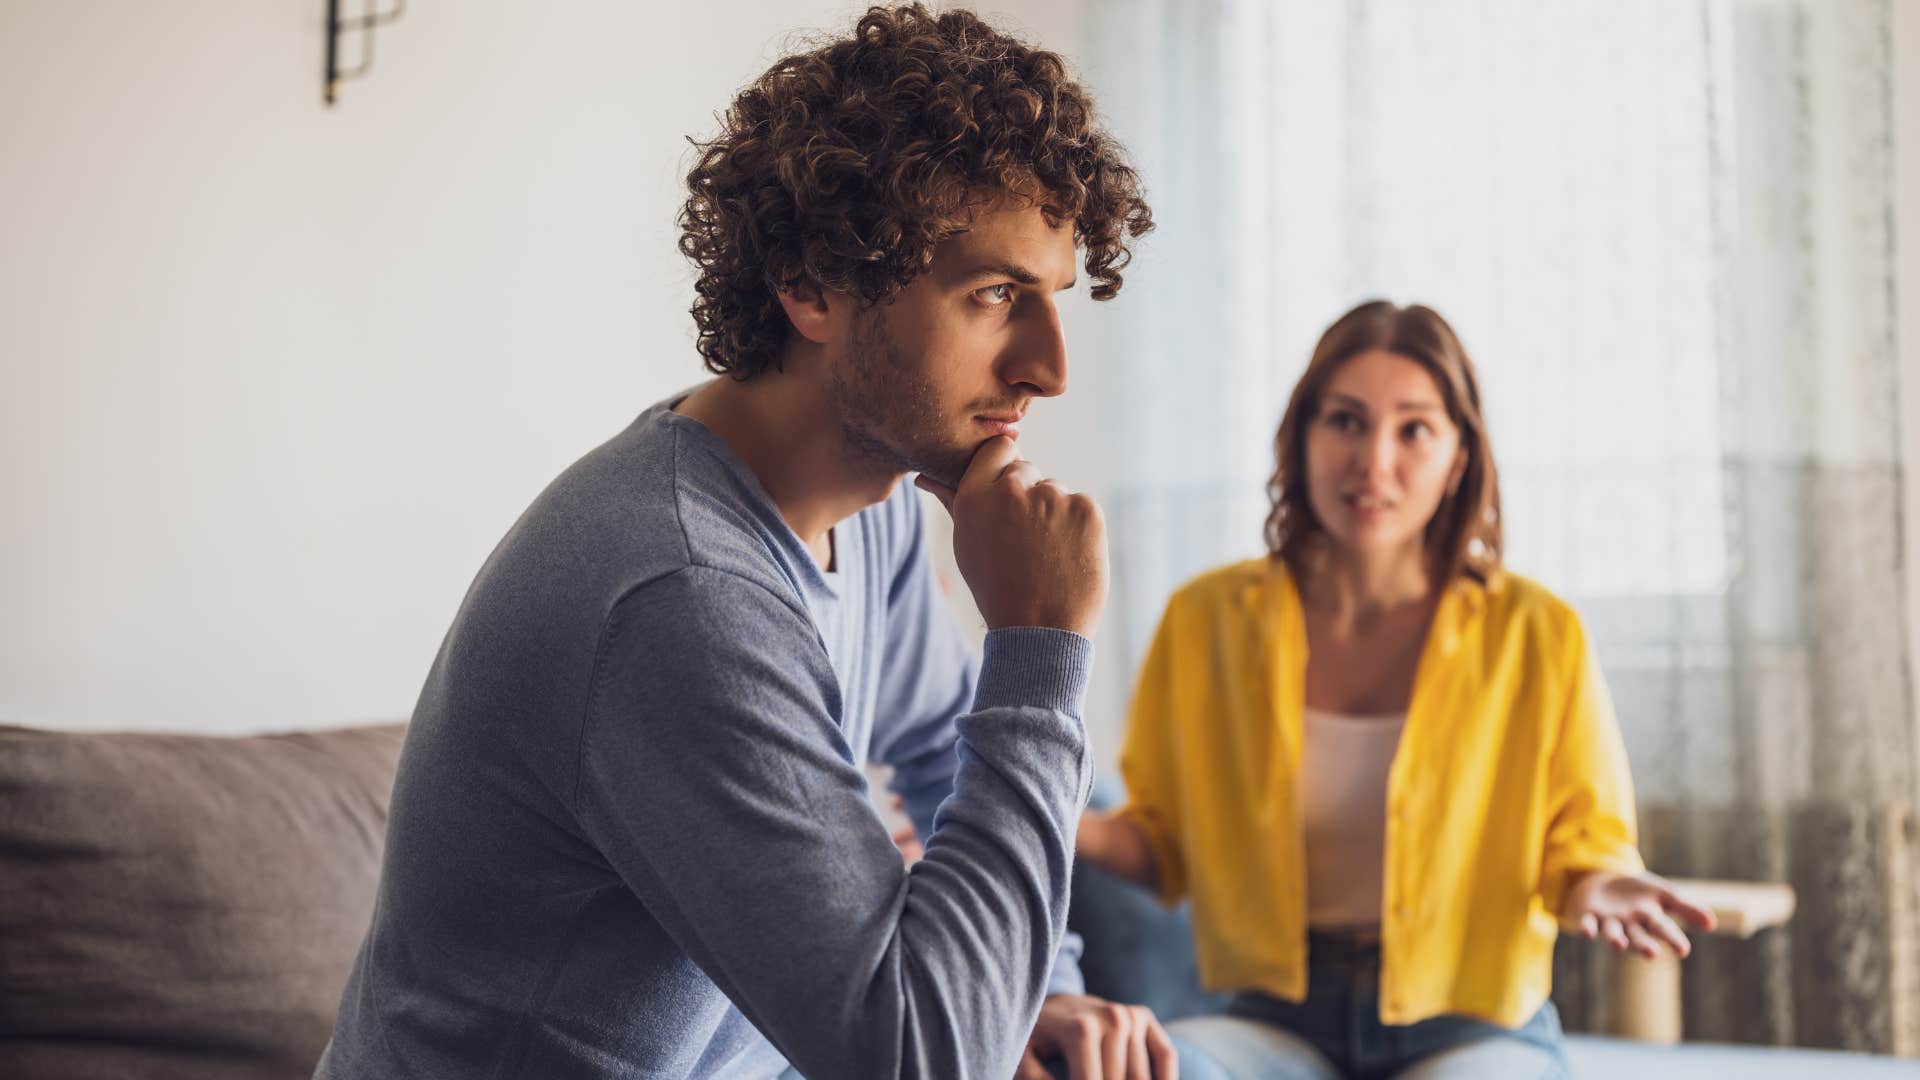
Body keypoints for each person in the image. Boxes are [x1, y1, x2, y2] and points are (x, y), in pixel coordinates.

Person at [315, 5, 1176, 1078]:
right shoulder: (677, 594)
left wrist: (1040, 993)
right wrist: (1040, 652)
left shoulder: (878, 516)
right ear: (813, 284)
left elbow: (936, 749)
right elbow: (920, 1058)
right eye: (995, 295)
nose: (1050, 369)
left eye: (1053, 298)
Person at [1075, 301, 1717, 1079]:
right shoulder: (1204, 619)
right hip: (1268, 1017)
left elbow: (1586, 840)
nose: (1373, 461)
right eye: (1345, 421)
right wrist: (1026, 805)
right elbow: (1164, 847)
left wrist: (1601, 885)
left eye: (1413, 429)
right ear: (1301, 439)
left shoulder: (1537, 631)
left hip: (1474, 1027)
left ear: (1458, 458)